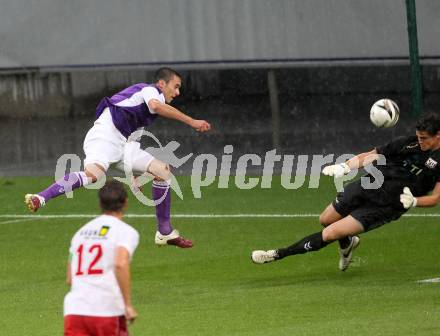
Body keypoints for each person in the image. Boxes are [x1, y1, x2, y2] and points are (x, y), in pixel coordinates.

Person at [25, 67, 211, 248]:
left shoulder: (143, 111)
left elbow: (132, 139)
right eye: (176, 86)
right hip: (105, 135)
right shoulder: (149, 90)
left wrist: (134, 173)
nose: (178, 92)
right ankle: (40, 197)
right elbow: (156, 106)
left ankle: (164, 232)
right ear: (161, 83)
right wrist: (192, 121)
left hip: (122, 143)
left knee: (162, 171)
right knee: (94, 175)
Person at [251, 113, 440, 271]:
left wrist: (414, 202)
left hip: (387, 205)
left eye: (424, 138)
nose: (419, 141)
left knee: (330, 233)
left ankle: (276, 254)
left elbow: (435, 198)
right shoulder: (408, 143)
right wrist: (345, 167)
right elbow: (371, 155)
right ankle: (348, 244)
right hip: (369, 185)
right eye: (418, 136)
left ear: (437, 135)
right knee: (326, 220)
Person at [64, 180, 139, 336]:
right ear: (126, 203)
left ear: (100, 203)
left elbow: (70, 278)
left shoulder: (79, 234)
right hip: (106, 310)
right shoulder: (125, 232)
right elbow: (120, 263)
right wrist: (127, 305)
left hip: (74, 311)